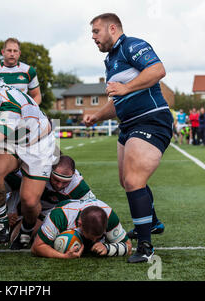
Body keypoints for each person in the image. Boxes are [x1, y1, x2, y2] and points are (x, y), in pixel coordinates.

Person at [85, 13, 173, 263]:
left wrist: (125, 87)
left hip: (151, 121)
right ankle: (152, 222)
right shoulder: (110, 61)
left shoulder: (132, 45)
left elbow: (158, 70)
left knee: (134, 180)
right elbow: (117, 102)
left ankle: (146, 247)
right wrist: (97, 116)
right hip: (129, 125)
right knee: (126, 181)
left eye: (96, 31)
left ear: (112, 28)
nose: (93, 37)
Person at [0, 76, 57, 250]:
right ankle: (2, 224)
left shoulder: (10, 108)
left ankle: (25, 230)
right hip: (14, 138)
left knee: (30, 201)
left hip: (37, 143)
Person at [31, 200, 132, 259]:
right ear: (80, 224)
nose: (94, 241)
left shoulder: (109, 215)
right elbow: (36, 247)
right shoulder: (59, 216)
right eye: (92, 237)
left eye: (99, 237)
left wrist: (108, 248)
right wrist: (64, 256)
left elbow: (129, 247)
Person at [0, 38, 42, 104]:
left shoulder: (29, 71)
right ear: (3, 52)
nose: (12, 54)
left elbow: (36, 95)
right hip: (0, 112)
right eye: (9, 50)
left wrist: (31, 110)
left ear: (19, 53)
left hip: (22, 112)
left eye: (15, 51)